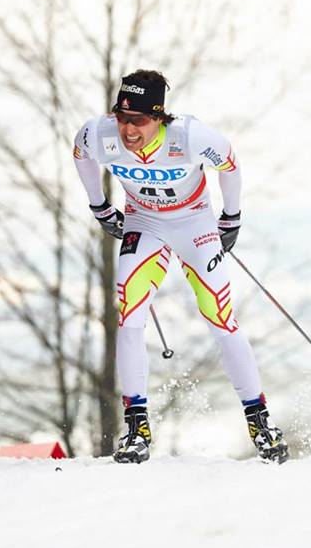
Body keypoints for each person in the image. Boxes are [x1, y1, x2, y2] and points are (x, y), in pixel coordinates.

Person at [73, 70, 288, 464]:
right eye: (122, 118)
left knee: (221, 318)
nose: (129, 129)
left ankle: (260, 422)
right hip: (145, 223)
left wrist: (231, 217)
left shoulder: (190, 137)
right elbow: (80, 154)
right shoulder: (99, 134)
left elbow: (231, 165)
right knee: (129, 311)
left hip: (195, 225)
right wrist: (99, 205)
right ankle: (136, 428)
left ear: (159, 116)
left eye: (139, 120)